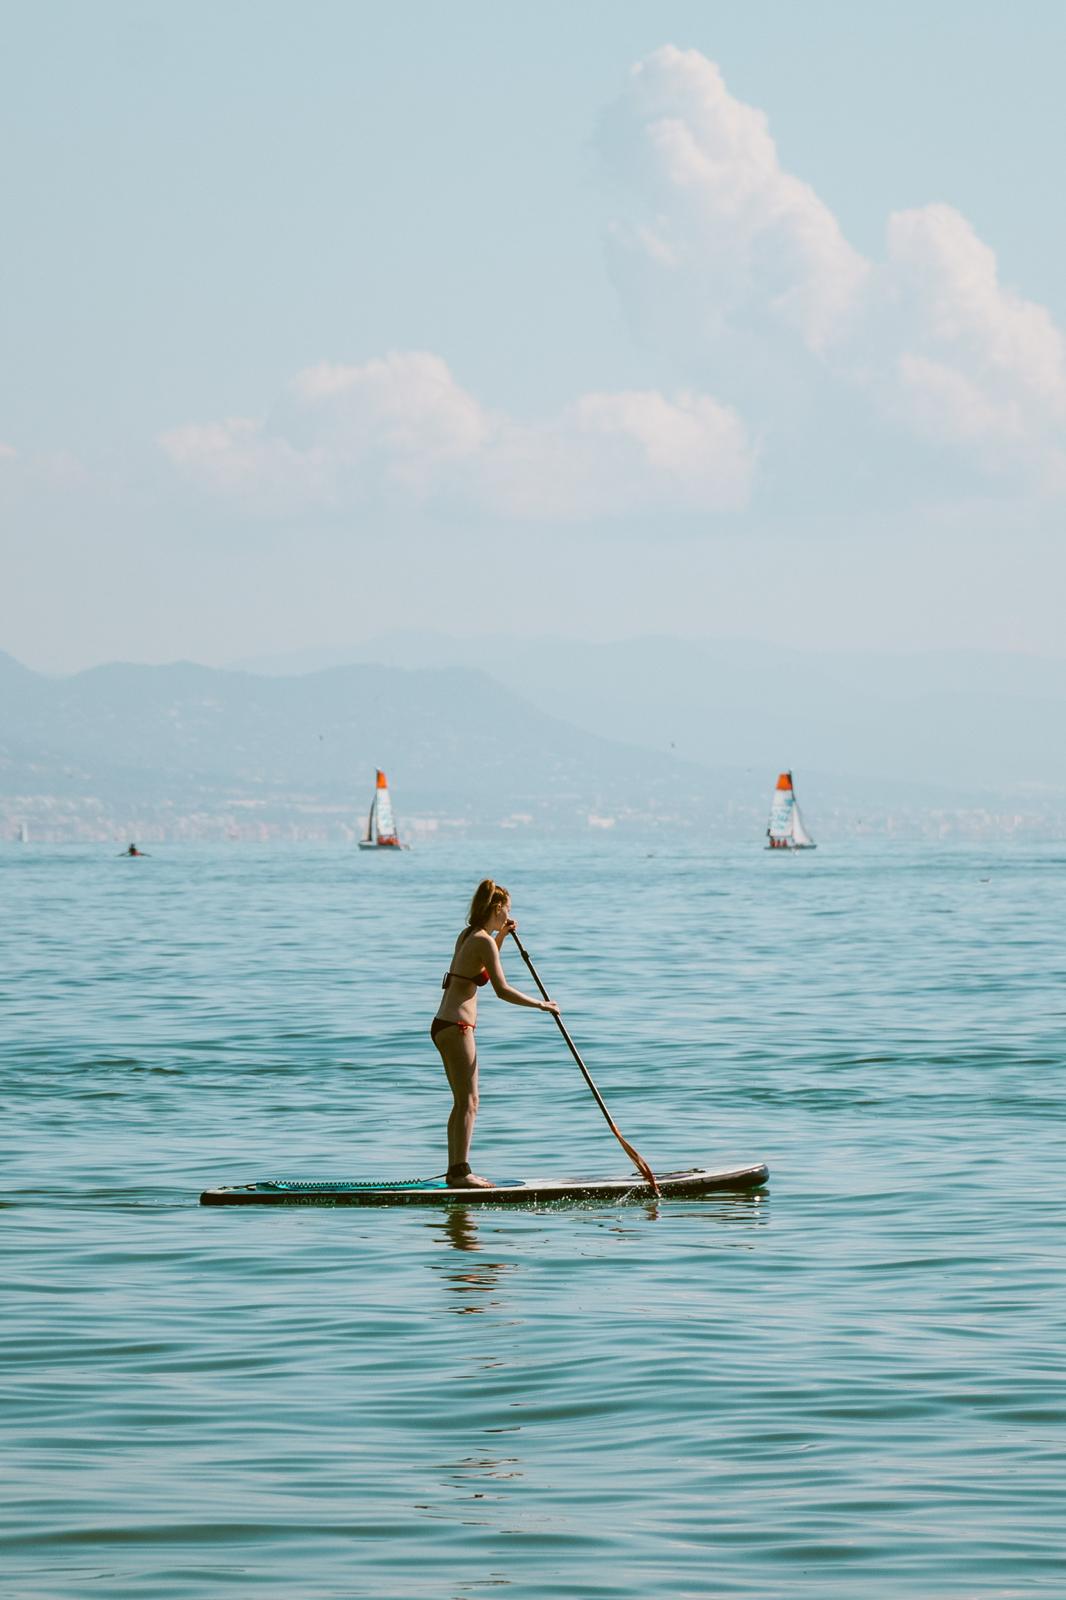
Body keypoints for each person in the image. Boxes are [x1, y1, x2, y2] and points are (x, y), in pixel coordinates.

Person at [431, 878, 559, 1188]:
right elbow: (501, 989)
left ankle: (456, 1171)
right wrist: (540, 1004)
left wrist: (500, 935)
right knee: (469, 1102)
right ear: (497, 908)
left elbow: (482, 970)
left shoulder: (469, 936)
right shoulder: (482, 941)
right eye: (508, 911)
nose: (509, 915)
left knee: (462, 1101)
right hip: (458, 1028)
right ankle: (460, 1174)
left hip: (443, 1025)